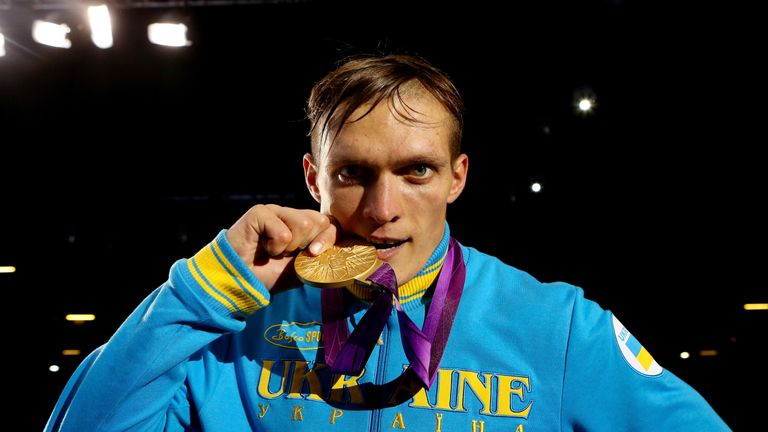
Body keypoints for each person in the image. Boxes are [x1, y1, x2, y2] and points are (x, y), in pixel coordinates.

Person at [45, 54, 730, 431]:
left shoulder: (557, 326)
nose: (381, 210)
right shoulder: (228, 324)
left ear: (458, 177)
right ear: (313, 177)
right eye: (352, 174)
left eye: (417, 171)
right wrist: (201, 293)